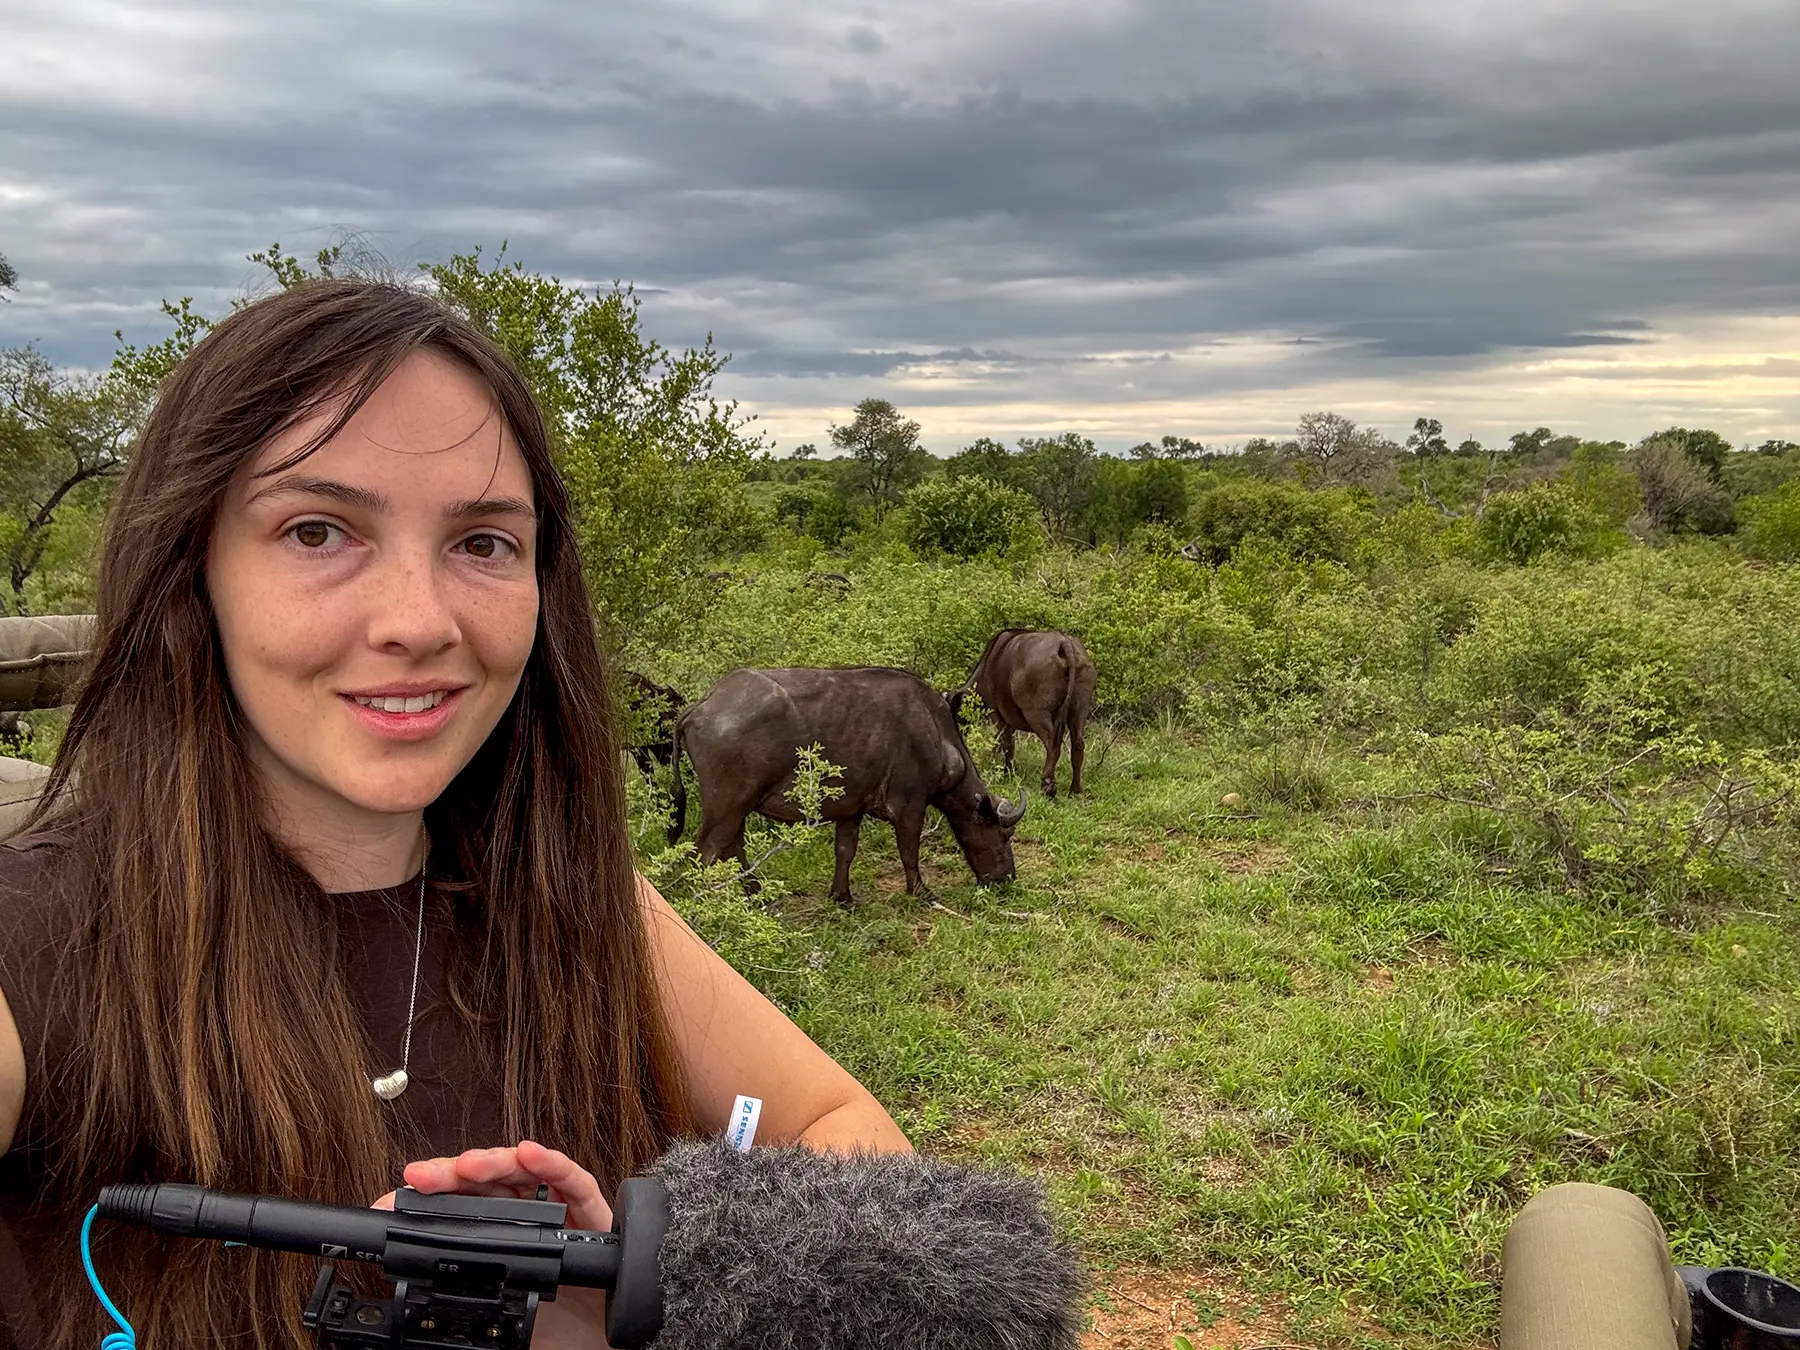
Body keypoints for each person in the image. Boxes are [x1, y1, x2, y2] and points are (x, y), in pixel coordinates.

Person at [0, 278, 911, 1350]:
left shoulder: (574, 901)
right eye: (317, 530)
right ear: (191, 571)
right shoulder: (35, 942)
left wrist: (639, 1277)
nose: (419, 623)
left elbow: (849, 1140)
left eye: (483, 543)